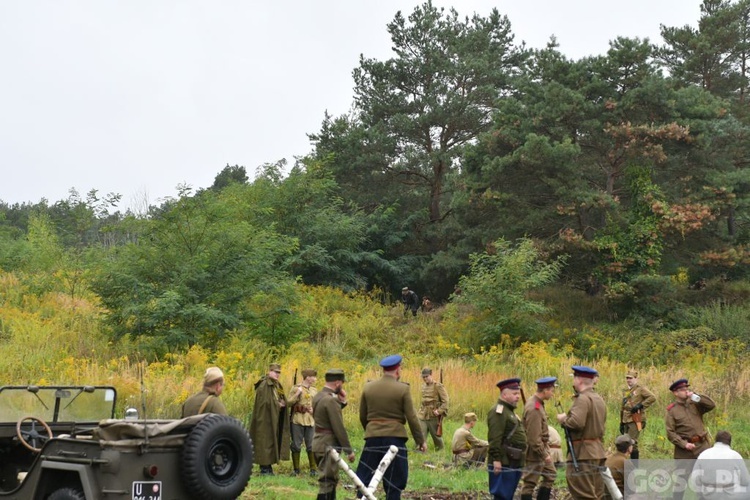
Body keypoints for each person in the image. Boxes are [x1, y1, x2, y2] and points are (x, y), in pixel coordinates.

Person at [355, 354, 427, 500]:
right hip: (395, 439)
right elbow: (412, 417)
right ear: (398, 370)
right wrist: (420, 440)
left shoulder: (368, 387)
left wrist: (371, 430)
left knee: (365, 476)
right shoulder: (403, 389)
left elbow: (363, 415)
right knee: (395, 480)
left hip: (372, 438)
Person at [556, 365, 607, 500]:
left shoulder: (582, 399)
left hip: (583, 454)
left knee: (583, 493)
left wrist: (563, 419)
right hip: (597, 452)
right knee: (597, 493)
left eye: (574, 379)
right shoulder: (599, 399)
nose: (573, 382)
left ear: (579, 380)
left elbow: (576, 423)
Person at [665, 378, 716, 499]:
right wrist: (684, 444)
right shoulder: (672, 410)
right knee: (681, 480)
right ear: (675, 393)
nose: (686, 391)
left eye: (687, 388)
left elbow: (711, 405)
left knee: (706, 477)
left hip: (702, 446)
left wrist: (696, 396)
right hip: (685, 451)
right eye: (682, 390)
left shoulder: (695, 404)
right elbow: (670, 433)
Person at [312, 369, 355, 500]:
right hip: (328, 445)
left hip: (318, 441)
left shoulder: (318, 396)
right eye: (342, 383)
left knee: (330, 481)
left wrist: (342, 402)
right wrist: (349, 450)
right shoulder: (330, 400)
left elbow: (325, 415)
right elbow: (338, 427)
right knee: (327, 482)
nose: (342, 385)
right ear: (337, 383)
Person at [487, 378, 528, 500]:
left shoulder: (509, 412)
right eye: (514, 394)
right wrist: (496, 459)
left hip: (513, 460)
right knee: (502, 495)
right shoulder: (498, 411)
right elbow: (494, 438)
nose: (518, 397)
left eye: (518, 394)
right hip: (504, 462)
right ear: (504, 394)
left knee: (508, 495)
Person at [250, 362, 291, 476]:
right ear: (269, 371)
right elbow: (264, 403)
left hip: (274, 418)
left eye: (279, 373)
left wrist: (283, 403)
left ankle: (268, 467)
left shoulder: (277, 385)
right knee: (264, 442)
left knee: (271, 442)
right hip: (264, 419)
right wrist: (278, 405)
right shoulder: (264, 385)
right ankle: (264, 468)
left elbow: (281, 398)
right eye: (275, 372)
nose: (277, 375)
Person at [521, 376, 558, 500]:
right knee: (530, 482)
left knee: (550, 474)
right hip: (535, 451)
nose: (552, 394)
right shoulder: (534, 408)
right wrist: (544, 454)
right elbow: (533, 438)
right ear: (545, 390)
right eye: (552, 390)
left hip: (541, 447)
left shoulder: (538, 404)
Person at [691, 430, 750, 499]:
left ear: (716, 440)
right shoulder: (735, 456)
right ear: (729, 442)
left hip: (708, 496)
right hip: (731, 496)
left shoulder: (703, 454)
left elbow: (695, 479)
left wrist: (700, 496)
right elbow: (745, 481)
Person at [287, 368, 318, 475]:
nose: (315, 378)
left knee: (311, 445)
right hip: (297, 420)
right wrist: (297, 394)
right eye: (313, 376)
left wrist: (314, 409)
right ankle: (296, 469)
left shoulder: (314, 390)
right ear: (308, 378)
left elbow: (317, 403)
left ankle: (313, 469)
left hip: (310, 420)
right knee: (296, 445)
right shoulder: (296, 388)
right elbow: (288, 403)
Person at [620, 369, 656, 460]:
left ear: (636, 379)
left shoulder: (640, 389)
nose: (628, 380)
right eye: (627, 378)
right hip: (626, 418)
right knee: (626, 441)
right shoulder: (627, 390)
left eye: (630, 378)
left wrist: (641, 405)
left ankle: (634, 467)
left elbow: (652, 397)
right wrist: (621, 422)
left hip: (635, 419)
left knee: (632, 442)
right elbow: (623, 406)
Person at [418, 367, 448, 451]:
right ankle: (420, 450)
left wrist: (439, 411)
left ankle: (440, 452)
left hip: (433, 414)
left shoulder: (438, 386)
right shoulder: (423, 386)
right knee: (420, 434)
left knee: (436, 436)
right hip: (423, 413)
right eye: (423, 377)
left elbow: (445, 401)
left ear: (431, 375)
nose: (425, 378)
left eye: (426, 376)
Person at [604, 434, 633, 499]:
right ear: (629, 448)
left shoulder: (609, 457)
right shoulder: (625, 462)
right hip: (617, 496)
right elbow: (631, 488)